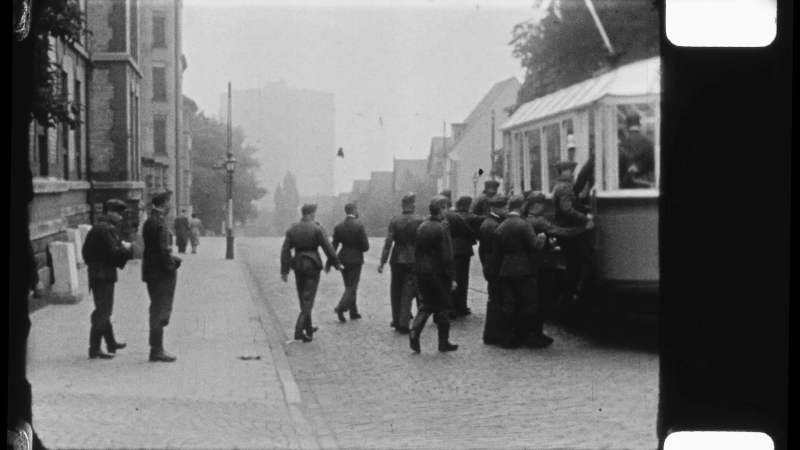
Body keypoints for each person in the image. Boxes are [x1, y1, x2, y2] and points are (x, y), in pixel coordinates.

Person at [492, 195, 549, 349]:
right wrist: (542, 238)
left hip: (506, 269)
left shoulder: (501, 225)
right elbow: (534, 246)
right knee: (529, 303)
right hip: (524, 268)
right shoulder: (524, 224)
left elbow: (496, 253)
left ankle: (507, 338)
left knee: (509, 304)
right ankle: (529, 337)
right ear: (521, 206)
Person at [281, 203, 342, 342]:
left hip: (298, 265)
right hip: (313, 265)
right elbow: (328, 248)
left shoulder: (292, 229)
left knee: (303, 297)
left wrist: (285, 271)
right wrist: (336, 263)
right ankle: (298, 331)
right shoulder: (317, 228)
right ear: (312, 214)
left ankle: (308, 329)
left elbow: (285, 250)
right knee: (308, 298)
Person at [82, 199, 134, 359]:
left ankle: (111, 343)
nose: (120, 217)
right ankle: (95, 348)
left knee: (103, 309)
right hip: (104, 275)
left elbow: (85, 252)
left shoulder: (99, 227)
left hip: (97, 273)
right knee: (103, 310)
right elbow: (114, 252)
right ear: (109, 211)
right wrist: (129, 249)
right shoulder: (106, 229)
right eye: (118, 213)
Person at [408, 196, 459, 353]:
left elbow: (417, 251)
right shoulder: (442, 228)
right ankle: (443, 343)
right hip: (438, 273)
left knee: (426, 305)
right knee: (443, 308)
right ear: (441, 210)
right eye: (446, 208)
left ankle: (415, 331)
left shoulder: (422, 226)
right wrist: (452, 277)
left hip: (422, 271)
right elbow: (447, 256)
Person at [142, 191, 182, 362]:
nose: (171, 205)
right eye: (169, 202)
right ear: (164, 203)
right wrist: (172, 265)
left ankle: (155, 348)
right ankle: (157, 350)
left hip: (150, 270)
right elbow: (164, 249)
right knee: (161, 310)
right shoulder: (161, 222)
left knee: (155, 308)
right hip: (161, 272)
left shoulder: (149, 220)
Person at [551, 161, 596, 307]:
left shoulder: (560, 186)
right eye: (569, 170)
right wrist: (586, 218)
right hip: (569, 233)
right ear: (562, 172)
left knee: (574, 266)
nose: (571, 173)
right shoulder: (564, 188)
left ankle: (568, 299)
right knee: (580, 264)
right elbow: (567, 210)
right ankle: (571, 299)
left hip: (565, 231)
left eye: (572, 170)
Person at [379, 193, 424, 334]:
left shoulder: (394, 220)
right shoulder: (420, 220)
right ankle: (404, 323)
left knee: (395, 291)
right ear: (413, 205)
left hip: (397, 258)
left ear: (402, 206)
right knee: (408, 290)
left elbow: (388, 244)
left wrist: (382, 262)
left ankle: (396, 320)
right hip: (413, 259)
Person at [329, 202, 370, 323]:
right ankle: (341, 308)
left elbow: (334, 246)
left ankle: (353, 311)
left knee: (348, 285)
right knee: (352, 286)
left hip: (342, 257)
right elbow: (365, 246)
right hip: (355, 259)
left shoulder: (339, 226)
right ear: (354, 210)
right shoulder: (359, 226)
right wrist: (358, 249)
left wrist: (331, 261)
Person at [478, 195, 508, 345]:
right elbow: (494, 250)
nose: (506, 210)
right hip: (495, 267)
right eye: (504, 207)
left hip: (490, 266)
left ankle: (492, 335)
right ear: (495, 208)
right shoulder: (492, 225)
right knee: (496, 301)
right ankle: (494, 335)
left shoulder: (489, 222)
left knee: (495, 301)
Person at [448, 195, 480, 317]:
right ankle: (460, 306)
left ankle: (452, 306)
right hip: (462, 251)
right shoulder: (466, 217)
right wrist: (474, 239)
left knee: (453, 279)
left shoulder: (450, 215)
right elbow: (470, 232)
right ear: (466, 205)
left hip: (451, 249)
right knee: (463, 280)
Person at [619, 113, 655, 189]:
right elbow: (653, 163)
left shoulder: (622, 143)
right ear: (639, 125)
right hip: (645, 184)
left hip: (626, 186)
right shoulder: (648, 143)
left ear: (627, 126)